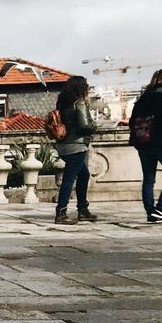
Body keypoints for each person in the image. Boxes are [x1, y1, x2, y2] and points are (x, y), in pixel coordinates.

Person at [130, 69, 162, 224]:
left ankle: (151, 212)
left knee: (148, 179)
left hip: (144, 143)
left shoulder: (143, 97)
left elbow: (133, 121)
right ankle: (161, 208)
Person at [53, 75, 98, 224]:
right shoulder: (80, 103)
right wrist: (94, 126)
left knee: (83, 175)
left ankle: (83, 209)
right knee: (69, 179)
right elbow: (84, 126)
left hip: (63, 145)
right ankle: (61, 213)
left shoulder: (63, 103)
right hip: (76, 146)